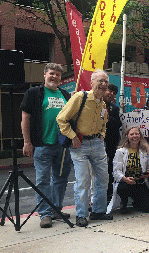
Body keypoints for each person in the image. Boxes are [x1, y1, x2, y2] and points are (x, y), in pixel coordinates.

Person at [57, 69, 112, 227]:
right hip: (80, 145)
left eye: (105, 82)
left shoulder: (102, 104)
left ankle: (98, 211)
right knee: (83, 181)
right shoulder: (81, 97)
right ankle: (81, 214)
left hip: (97, 144)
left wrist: (102, 134)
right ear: (92, 82)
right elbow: (61, 118)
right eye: (99, 81)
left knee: (103, 179)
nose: (102, 84)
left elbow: (104, 123)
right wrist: (73, 136)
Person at [20, 63, 72, 228]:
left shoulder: (66, 94)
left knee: (61, 179)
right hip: (42, 145)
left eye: (57, 74)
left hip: (63, 146)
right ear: (44, 74)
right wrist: (27, 142)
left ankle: (56, 209)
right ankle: (45, 214)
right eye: (51, 73)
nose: (54, 77)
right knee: (43, 181)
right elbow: (25, 118)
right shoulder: (34, 93)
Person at [108, 127, 149, 214]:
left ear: (140, 136)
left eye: (137, 134)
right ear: (127, 137)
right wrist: (125, 179)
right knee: (123, 188)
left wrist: (148, 172)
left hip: (140, 182)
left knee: (148, 208)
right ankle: (123, 201)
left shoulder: (145, 151)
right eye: (132, 134)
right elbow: (116, 171)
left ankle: (136, 202)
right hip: (125, 183)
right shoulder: (120, 151)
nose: (135, 136)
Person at [103, 83, 122, 203]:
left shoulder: (114, 108)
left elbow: (118, 124)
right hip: (95, 142)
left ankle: (109, 194)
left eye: (114, 93)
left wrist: (108, 118)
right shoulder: (94, 103)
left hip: (111, 143)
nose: (111, 94)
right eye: (110, 91)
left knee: (110, 169)